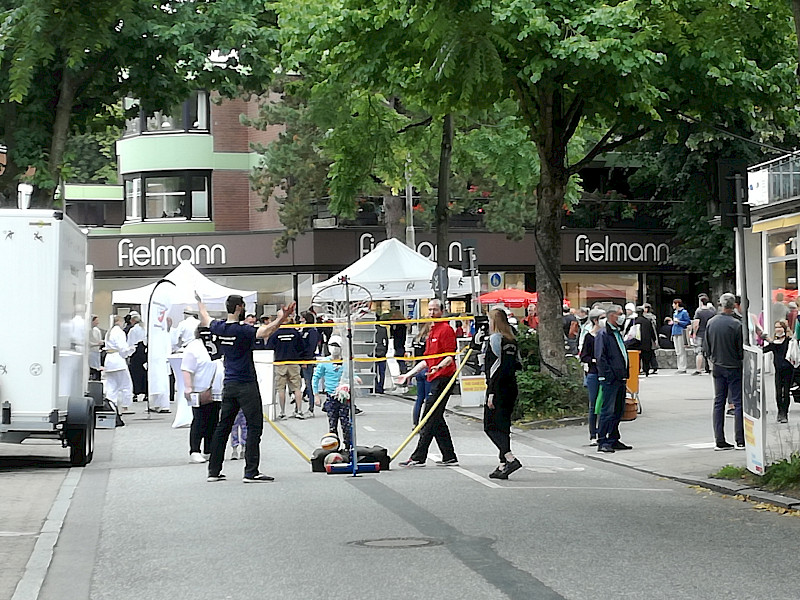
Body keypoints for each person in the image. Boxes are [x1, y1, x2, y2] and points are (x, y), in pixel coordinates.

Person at [198, 294, 295, 483]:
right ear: (240, 307)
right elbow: (266, 332)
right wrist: (282, 318)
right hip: (247, 384)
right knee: (254, 426)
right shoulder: (243, 330)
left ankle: (214, 471)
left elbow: (205, 316)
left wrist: (199, 302)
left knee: (223, 426)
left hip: (229, 384)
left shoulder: (219, 327)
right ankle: (251, 471)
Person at [397, 299, 459, 467]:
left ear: (442, 311)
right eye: (430, 310)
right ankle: (449, 456)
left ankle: (419, 456)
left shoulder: (446, 330)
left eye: (435, 310)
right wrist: (408, 375)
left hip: (444, 377)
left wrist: (438, 366)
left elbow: (450, 355)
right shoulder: (432, 330)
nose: (432, 313)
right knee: (436, 417)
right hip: (434, 376)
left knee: (429, 416)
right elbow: (426, 360)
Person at [481, 309, 523, 479]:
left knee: (490, 425)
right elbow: (518, 364)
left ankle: (509, 457)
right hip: (511, 386)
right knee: (503, 425)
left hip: (497, 387)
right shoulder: (512, 340)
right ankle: (502, 465)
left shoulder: (495, 339)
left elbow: (495, 368)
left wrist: (491, 392)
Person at [703, 293, 744, 451]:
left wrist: (712, 359)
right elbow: (741, 349)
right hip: (733, 366)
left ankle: (719, 439)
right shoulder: (736, 324)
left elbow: (706, 347)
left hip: (717, 366)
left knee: (719, 402)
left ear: (720, 305)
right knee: (738, 402)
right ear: (733, 306)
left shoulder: (711, 322)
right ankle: (740, 439)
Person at [594, 304, 632, 453]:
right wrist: (608, 375)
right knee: (607, 410)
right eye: (619, 314)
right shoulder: (604, 334)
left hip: (620, 377)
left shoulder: (616, 333)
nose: (622, 317)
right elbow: (601, 357)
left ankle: (613, 438)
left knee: (617, 410)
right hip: (611, 379)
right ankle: (603, 440)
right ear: (611, 316)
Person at [181, 326, 221, 463]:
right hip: (200, 388)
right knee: (199, 420)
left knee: (214, 420)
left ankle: (209, 449)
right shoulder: (193, 347)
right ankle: (195, 450)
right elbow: (186, 368)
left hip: (217, 389)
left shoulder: (218, 344)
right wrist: (188, 387)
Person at [312, 336, 353, 450]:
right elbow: (316, 378)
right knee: (332, 424)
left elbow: (352, 374)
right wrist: (316, 395)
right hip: (331, 397)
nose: (335, 349)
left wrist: (355, 379)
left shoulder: (345, 361)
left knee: (346, 423)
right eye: (332, 346)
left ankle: (348, 446)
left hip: (344, 397)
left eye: (337, 346)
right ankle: (334, 446)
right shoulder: (325, 362)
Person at [265, 321, 306, 419]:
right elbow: (302, 347)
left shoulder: (275, 334)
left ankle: (282, 412)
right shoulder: (295, 333)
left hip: (280, 363)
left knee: (281, 389)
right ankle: (299, 411)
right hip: (294, 362)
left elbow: (269, 347)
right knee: (297, 388)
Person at [761, 320, 794, 423]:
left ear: (784, 329)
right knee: (778, 392)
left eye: (779, 327)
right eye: (776, 327)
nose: (777, 329)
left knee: (786, 392)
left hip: (789, 369)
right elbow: (764, 350)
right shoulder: (774, 343)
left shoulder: (789, 341)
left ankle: (785, 413)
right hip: (778, 371)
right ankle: (780, 412)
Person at [580, 308, 604, 444]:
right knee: (593, 404)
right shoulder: (589, 337)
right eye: (602, 318)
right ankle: (593, 434)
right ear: (595, 320)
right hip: (594, 373)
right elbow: (584, 356)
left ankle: (602, 432)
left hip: (605, 373)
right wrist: (594, 360)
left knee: (604, 404)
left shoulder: (605, 335)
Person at [104, 315, 136, 414]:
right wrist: (131, 349)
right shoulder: (119, 332)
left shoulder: (109, 332)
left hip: (109, 360)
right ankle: (125, 406)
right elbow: (122, 348)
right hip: (118, 360)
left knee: (111, 385)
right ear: (119, 322)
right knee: (126, 384)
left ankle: (111, 404)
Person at [411, 322, 432, 427]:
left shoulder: (416, 339)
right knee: (428, 398)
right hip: (427, 368)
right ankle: (425, 423)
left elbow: (414, 355)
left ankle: (415, 423)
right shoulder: (429, 339)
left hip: (418, 369)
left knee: (419, 398)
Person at [299, 311, 320, 414]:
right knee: (302, 383)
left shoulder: (312, 331)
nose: (300, 320)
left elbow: (311, 347)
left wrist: (305, 360)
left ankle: (311, 407)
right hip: (300, 359)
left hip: (307, 359)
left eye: (302, 318)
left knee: (309, 382)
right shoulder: (303, 330)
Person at [126, 311, 149, 403]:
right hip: (144, 352)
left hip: (135, 353)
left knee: (135, 374)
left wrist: (128, 354)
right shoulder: (145, 328)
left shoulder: (133, 330)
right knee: (145, 373)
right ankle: (146, 392)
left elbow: (130, 343)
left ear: (132, 320)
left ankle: (136, 392)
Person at [691, 294, 716, 375]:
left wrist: (694, 333)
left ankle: (699, 369)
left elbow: (696, 324)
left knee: (699, 352)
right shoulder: (712, 311)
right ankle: (712, 369)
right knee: (710, 352)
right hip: (710, 333)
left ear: (701, 302)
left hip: (700, 333)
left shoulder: (699, 312)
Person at [671, 299, 692, 373]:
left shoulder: (684, 312)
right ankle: (679, 367)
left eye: (673, 304)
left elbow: (688, 322)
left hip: (681, 332)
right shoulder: (675, 313)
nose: (672, 305)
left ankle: (683, 367)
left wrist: (679, 322)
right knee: (677, 351)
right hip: (675, 332)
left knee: (681, 350)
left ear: (677, 304)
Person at [642, 303, 659, 373]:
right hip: (652, 336)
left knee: (649, 353)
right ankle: (654, 366)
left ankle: (650, 367)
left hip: (649, 336)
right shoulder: (653, 317)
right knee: (652, 353)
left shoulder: (647, 318)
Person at [373, 316, 389, 394]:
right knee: (382, 371)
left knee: (374, 370)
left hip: (374, 351)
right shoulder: (383, 329)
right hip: (382, 351)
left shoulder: (372, 330)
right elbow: (386, 341)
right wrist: (386, 350)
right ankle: (381, 386)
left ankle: (376, 386)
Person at [89, 315, 103, 381]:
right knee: (92, 367)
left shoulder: (97, 330)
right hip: (90, 352)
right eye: (96, 321)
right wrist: (96, 344)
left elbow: (99, 341)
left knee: (97, 368)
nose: (98, 323)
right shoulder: (88, 330)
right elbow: (87, 343)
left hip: (96, 351)